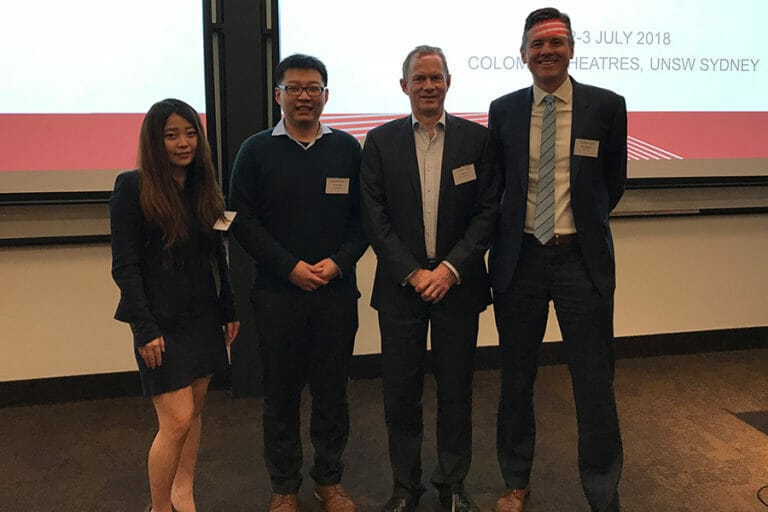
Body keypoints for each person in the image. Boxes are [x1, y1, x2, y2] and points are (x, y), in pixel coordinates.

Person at [488, 7, 626, 512]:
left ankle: (602, 491)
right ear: (523, 53)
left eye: (556, 42)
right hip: (520, 260)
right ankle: (515, 481)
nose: (547, 51)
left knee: (594, 383)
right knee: (516, 379)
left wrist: (576, 226)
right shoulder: (503, 110)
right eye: (537, 44)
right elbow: (497, 184)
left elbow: (612, 183)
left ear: (571, 49)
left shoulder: (606, 106)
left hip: (580, 262)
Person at [360, 45, 498, 512]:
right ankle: (405, 488)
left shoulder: (477, 141)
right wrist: (414, 272)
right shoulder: (379, 142)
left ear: (449, 83)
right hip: (401, 289)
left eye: (436, 77)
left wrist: (450, 270)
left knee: (457, 392)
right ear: (404, 86)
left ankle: (452, 487)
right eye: (419, 78)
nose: (428, 86)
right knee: (401, 394)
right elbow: (374, 215)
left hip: (458, 287)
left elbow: (487, 213)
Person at [228, 54, 368, 512]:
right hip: (276, 295)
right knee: (280, 394)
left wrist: (339, 263)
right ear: (278, 95)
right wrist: (289, 267)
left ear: (326, 95)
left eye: (313, 88)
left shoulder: (347, 149)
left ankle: (329, 480)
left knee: (332, 392)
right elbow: (243, 221)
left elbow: (365, 221)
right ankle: (284, 486)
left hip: (335, 293)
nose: (304, 96)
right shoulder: (254, 151)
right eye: (294, 88)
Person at [110, 98, 240, 512]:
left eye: (189, 133)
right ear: (155, 141)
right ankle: (159, 506)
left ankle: (183, 494)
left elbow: (217, 255)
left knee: (194, 413)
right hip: (159, 322)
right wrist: (143, 328)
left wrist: (228, 307)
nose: (183, 143)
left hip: (203, 316)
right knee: (177, 419)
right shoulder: (131, 187)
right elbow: (125, 266)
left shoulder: (203, 186)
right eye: (171, 135)